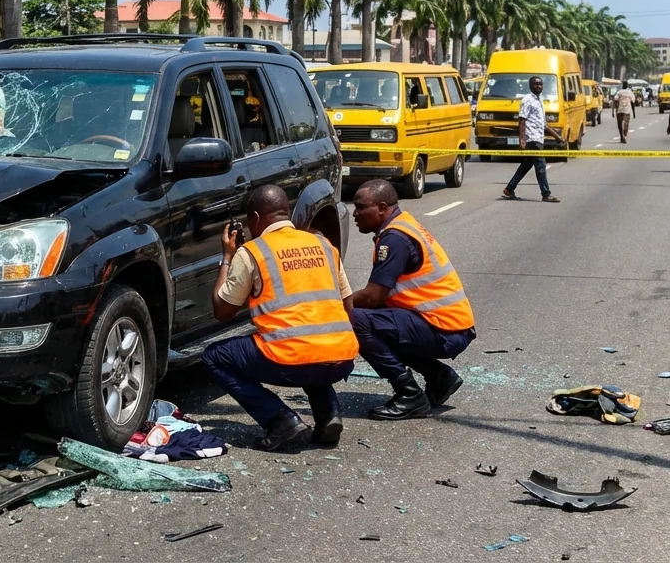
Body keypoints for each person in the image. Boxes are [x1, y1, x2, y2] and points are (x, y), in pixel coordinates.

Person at [203, 185, 358, 452]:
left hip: (291, 359)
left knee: (215, 357)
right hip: (342, 357)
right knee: (311, 347)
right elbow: (348, 304)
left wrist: (227, 256)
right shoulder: (323, 244)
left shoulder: (252, 251)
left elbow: (223, 311)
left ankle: (280, 420)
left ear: (255, 217)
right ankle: (328, 415)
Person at [347, 180, 476, 420]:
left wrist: (336, 306)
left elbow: (374, 297)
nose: (355, 214)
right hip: (449, 324)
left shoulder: (394, 238)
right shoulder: (401, 225)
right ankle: (439, 376)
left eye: (360, 207)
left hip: (443, 329)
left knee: (355, 320)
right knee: (379, 324)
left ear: (382, 208)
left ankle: (409, 394)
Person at [501, 75, 561, 203]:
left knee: (526, 165)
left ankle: (509, 189)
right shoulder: (527, 99)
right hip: (532, 138)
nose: (539, 86)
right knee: (541, 165)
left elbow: (543, 124)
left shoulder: (539, 101)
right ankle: (546, 193)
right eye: (536, 84)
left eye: (540, 84)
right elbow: (522, 119)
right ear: (530, 86)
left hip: (538, 137)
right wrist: (522, 139)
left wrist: (558, 137)